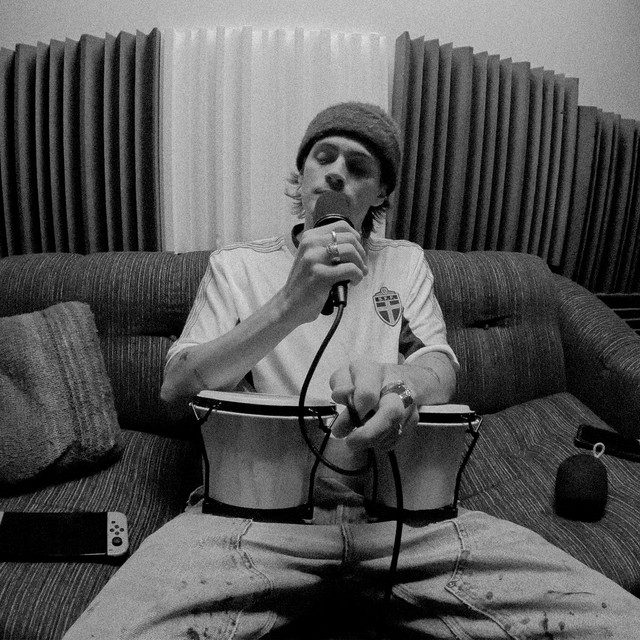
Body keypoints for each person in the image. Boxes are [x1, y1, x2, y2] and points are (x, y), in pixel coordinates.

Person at [63, 102, 640, 639]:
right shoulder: (237, 267)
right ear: (302, 174)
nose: (336, 173)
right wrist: (289, 305)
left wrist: (401, 385)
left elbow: (438, 366)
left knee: (609, 617)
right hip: (255, 513)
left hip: (400, 516)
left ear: (380, 192)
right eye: (324, 157)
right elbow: (177, 384)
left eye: (359, 167)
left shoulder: (403, 263)